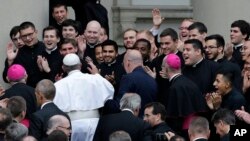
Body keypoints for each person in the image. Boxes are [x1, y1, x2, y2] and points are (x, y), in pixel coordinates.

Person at [53, 53, 114, 141]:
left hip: (71, 124)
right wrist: (97, 75)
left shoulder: (58, 85)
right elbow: (110, 90)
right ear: (80, 66)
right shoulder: (95, 79)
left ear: (63, 68)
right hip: (94, 122)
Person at [163, 54, 207, 138]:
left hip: (182, 132)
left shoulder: (175, 87)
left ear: (166, 68)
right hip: (196, 129)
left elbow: (174, 117)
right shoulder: (190, 82)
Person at [3, 21, 45, 87]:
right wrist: (10, 61)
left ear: (36, 32)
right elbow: (6, 79)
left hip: (46, 92)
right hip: (26, 94)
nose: (28, 38)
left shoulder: (45, 48)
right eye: (24, 36)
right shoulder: (16, 54)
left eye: (30, 34)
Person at [118, 50, 157, 117]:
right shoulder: (152, 79)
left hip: (133, 121)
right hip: (147, 121)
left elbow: (120, 102)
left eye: (123, 64)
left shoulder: (128, 78)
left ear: (127, 63)